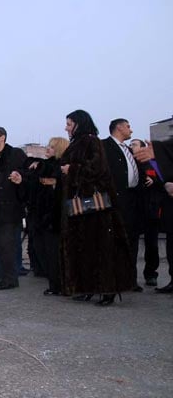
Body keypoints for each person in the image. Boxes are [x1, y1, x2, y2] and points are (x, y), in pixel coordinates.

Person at [59, 109, 134, 305]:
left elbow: (98, 168)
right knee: (85, 249)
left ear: (78, 123)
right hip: (82, 207)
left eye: (69, 123)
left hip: (95, 208)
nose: (66, 127)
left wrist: (72, 169)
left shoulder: (91, 141)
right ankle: (88, 287)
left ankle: (107, 290)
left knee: (101, 248)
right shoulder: (78, 143)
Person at [102, 118, 146, 292]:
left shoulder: (128, 150)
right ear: (119, 127)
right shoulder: (104, 146)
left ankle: (130, 279)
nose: (131, 130)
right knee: (114, 242)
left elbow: (135, 172)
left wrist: (144, 179)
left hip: (132, 201)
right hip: (114, 201)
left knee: (131, 241)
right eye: (128, 126)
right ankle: (114, 280)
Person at [21, 138, 69, 295]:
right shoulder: (45, 165)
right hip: (42, 215)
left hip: (54, 216)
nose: (48, 149)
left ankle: (59, 284)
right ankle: (55, 283)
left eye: (52, 147)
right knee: (45, 250)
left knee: (54, 251)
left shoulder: (60, 166)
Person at [0, 127, 27, 290]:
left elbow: (26, 173)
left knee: (9, 244)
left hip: (12, 206)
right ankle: (0, 276)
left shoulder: (16, 154)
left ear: (3, 137)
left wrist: (19, 177)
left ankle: (10, 279)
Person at [130, 138, 166, 287]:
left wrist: (154, 181)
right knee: (132, 245)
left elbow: (164, 178)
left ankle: (151, 274)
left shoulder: (153, 163)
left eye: (135, 144)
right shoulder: (129, 163)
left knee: (152, 245)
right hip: (135, 209)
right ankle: (131, 277)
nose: (132, 146)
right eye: (131, 144)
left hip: (151, 210)